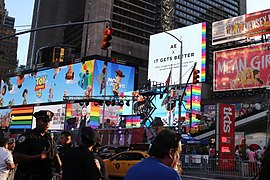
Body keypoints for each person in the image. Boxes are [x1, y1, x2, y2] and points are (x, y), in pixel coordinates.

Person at [13, 110, 62, 180]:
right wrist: (38, 157)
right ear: (37, 121)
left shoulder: (49, 138)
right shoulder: (27, 137)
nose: (47, 124)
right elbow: (16, 157)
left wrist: (61, 170)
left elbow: (55, 155)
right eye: (44, 121)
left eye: (49, 121)